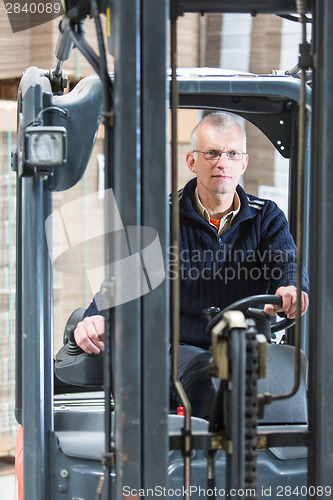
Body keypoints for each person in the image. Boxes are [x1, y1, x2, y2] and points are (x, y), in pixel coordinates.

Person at [74, 111, 309, 417]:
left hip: (248, 345)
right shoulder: (161, 216)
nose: (222, 163)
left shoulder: (267, 216)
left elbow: (286, 260)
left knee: (294, 383)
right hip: (179, 347)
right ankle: (213, 460)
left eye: (232, 154)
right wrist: (94, 318)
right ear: (192, 162)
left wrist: (292, 287)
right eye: (211, 153)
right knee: (208, 375)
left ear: (244, 162)